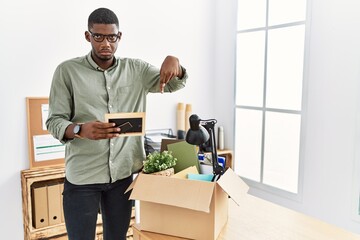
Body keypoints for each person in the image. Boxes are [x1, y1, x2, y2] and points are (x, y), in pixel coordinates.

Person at [46, 7, 187, 240]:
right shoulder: (67, 72)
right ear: (87, 36)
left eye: (111, 37)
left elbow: (173, 84)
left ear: (119, 37)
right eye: (98, 36)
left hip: (121, 176)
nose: (105, 44)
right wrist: (80, 130)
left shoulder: (137, 70)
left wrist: (176, 63)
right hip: (82, 177)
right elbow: (54, 121)